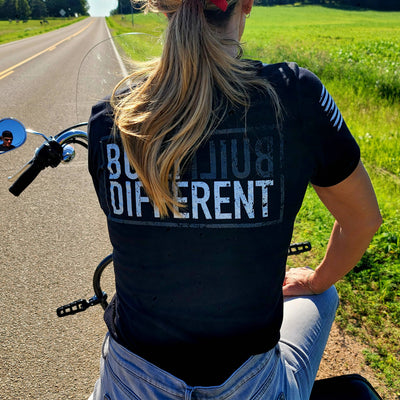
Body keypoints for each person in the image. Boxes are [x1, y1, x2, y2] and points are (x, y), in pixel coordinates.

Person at [87, 0, 382, 398]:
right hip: (247, 387)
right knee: (323, 294)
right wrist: (315, 279)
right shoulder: (294, 95)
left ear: (161, 8)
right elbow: (362, 220)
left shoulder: (112, 117)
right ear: (245, 4)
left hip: (130, 382)